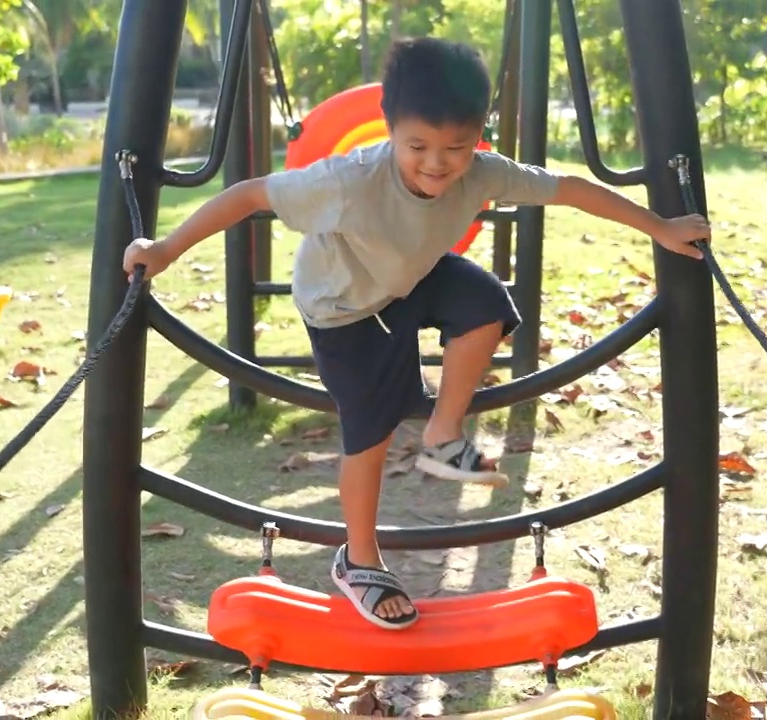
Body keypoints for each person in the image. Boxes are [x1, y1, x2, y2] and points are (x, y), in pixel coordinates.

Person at [122, 36, 712, 631]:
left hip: (411, 275)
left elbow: (567, 188)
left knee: (487, 303)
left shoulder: (480, 173)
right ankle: (358, 559)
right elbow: (249, 195)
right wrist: (167, 248)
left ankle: (443, 432)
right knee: (370, 431)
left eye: (456, 147)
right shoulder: (348, 179)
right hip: (345, 303)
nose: (437, 163)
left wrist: (658, 226)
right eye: (418, 146)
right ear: (389, 128)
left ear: (478, 135)